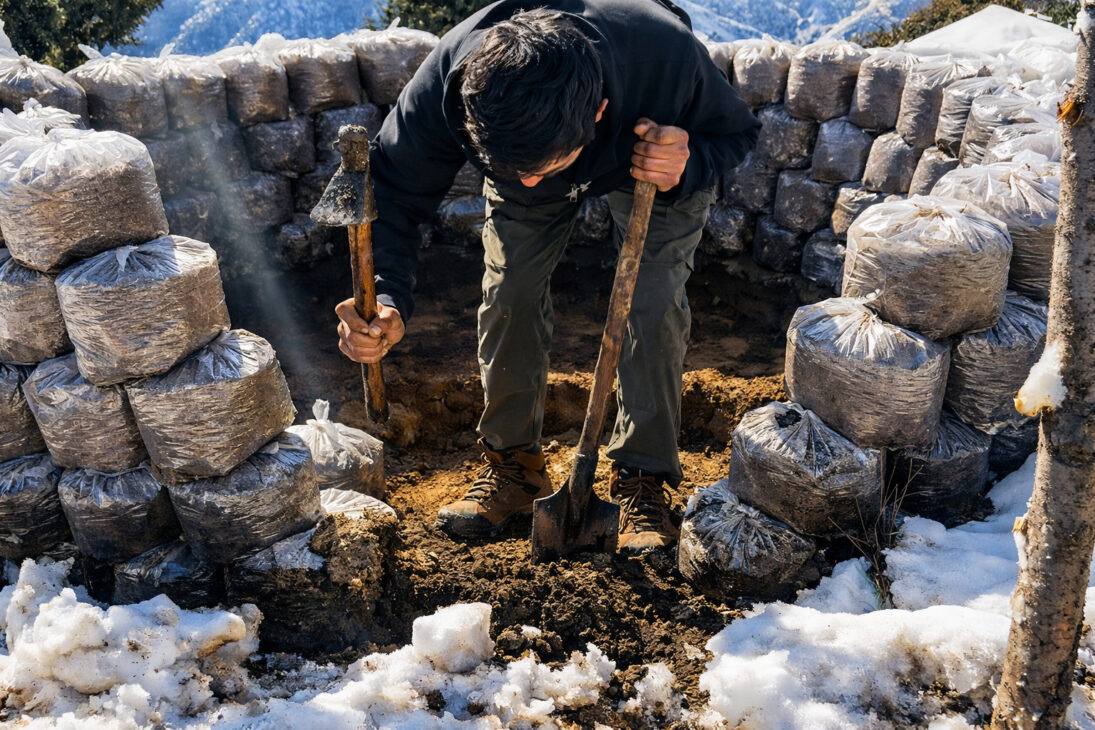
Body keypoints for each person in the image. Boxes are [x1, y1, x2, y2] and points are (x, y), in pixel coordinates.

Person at [335, 0, 760, 551]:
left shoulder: (664, 54)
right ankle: (514, 464)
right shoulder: (453, 81)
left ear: (600, 111)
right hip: (530, 145)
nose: (532, 185)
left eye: (546, 167)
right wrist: (386, 296)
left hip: (653, 157)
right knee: (509, 289)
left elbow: (735, 133)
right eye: (517, 169)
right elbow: (392, 194)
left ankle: (641, 477)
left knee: (652, 301)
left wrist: (687, 159)